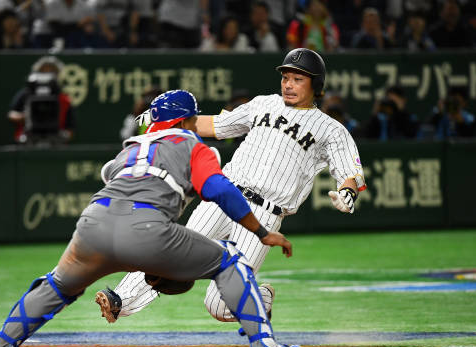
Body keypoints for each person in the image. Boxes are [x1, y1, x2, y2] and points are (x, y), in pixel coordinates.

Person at [0, 89, 298, 347]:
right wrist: (259, 231)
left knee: (57, 286)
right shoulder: (191, 145)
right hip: (147, 229)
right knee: (229, 262)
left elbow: (112, 179)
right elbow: (218, 188)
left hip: (91, 227)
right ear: (188, 121)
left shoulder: (127, 151)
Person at [95, 48, 366, 328]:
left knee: (219, 306)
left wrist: (347, 191)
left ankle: (259, 298)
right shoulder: (264, 104)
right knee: (174, 248)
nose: (288, 84)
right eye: (286, 77)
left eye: (298, 79)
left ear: (315, 84)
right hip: (226, 194)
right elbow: (216, 125)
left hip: (265, 213)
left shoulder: (331, 129)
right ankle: (121, 300)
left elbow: (349, 171)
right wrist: (162, 120)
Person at [8, 55, 75, 144]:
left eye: (52, 71)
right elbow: (11, 114)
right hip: (28, 141)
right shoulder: (26, 94)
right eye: (44, 70)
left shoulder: (64, 99)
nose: (48, 74)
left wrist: (62, 139)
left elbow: (70, 128)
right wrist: (27, 117)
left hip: (55, 143)